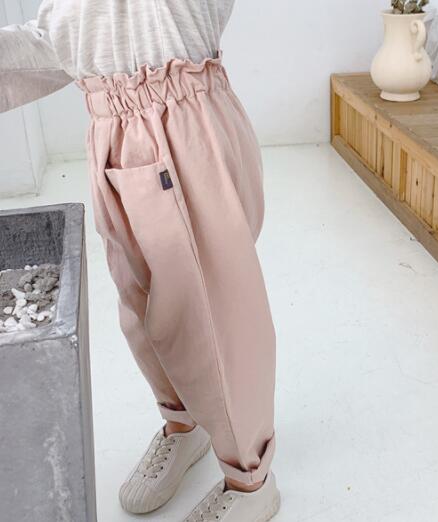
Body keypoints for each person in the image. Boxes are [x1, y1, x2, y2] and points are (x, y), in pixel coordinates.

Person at [0, 2, 280, 521]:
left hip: (185, 119)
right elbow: (57, 40)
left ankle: (251, 480)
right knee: (141, 303)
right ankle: (183, 424)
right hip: (110, 131)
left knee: (214, 316)